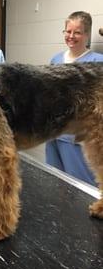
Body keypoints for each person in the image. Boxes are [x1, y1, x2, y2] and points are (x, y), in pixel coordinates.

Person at [45, 11, 103, 185]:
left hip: (78, 137)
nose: (71, 36)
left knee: (80, 185)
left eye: (77, 32)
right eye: (68, 31)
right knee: (55, 181)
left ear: (86, 34)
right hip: (53, 134)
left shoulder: (98, 62)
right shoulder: (56, 60)